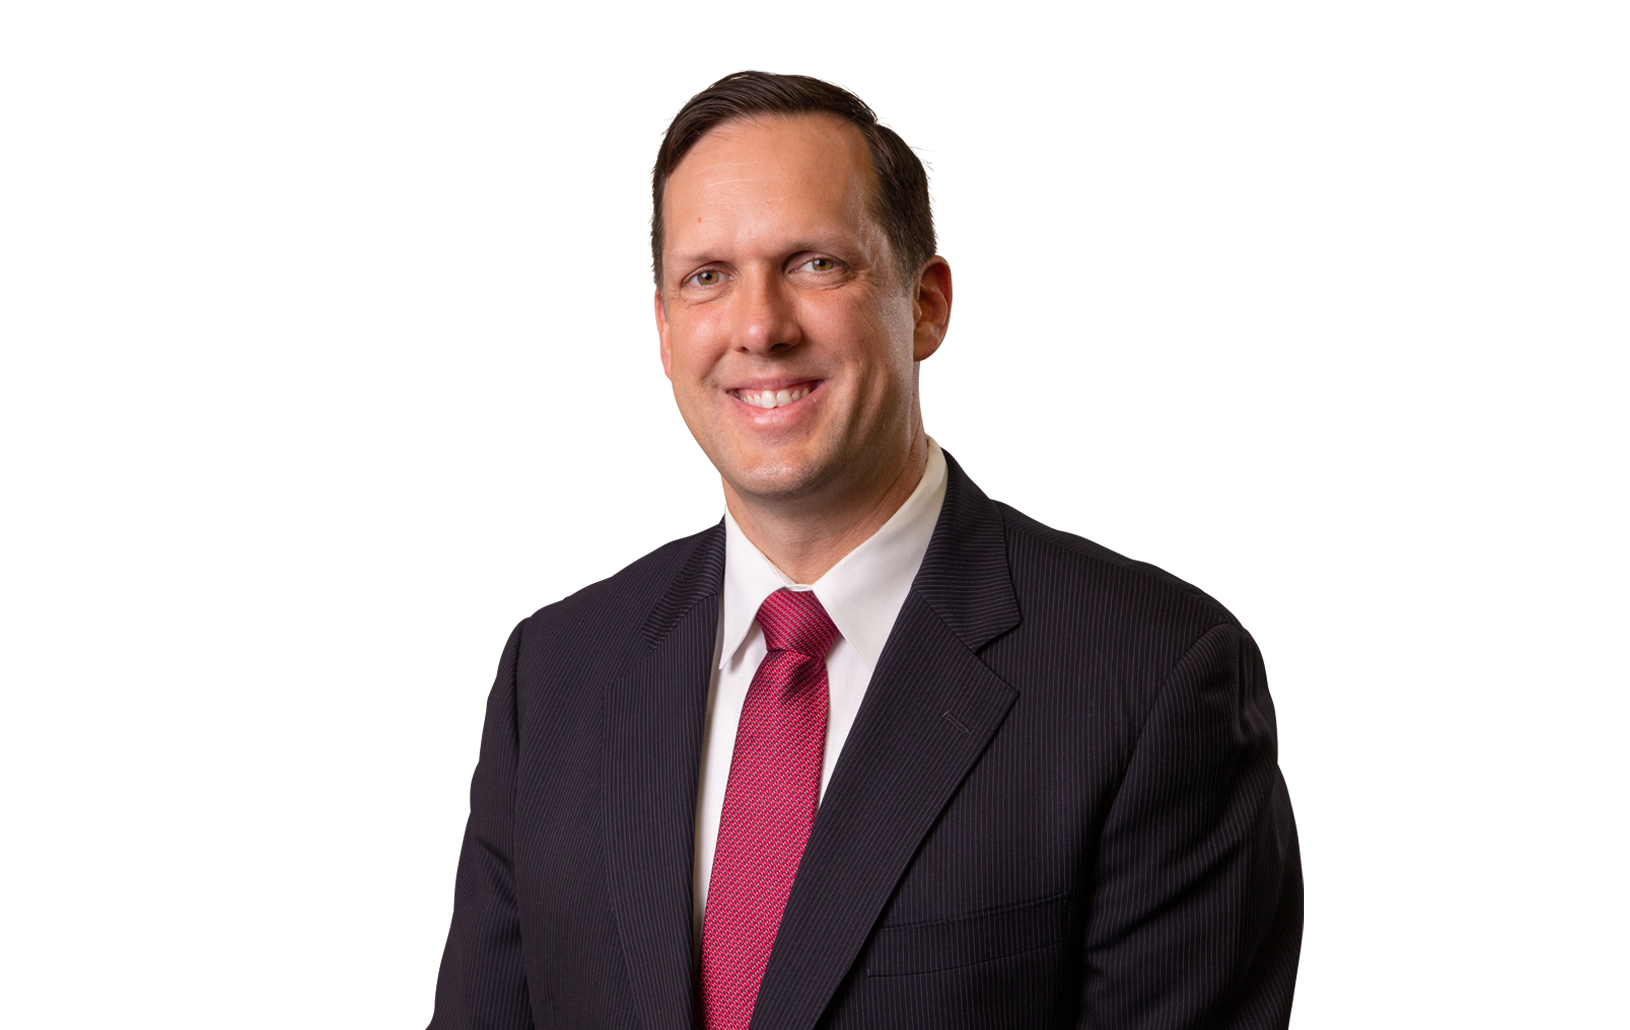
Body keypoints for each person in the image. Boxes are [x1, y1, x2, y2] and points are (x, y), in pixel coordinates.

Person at [429, 70, 1300, 1030]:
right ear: (665, 332)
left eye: (814, 263)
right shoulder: (553, 676)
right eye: (707, 276)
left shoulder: (1153, 677)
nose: (759, 327)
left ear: (926, 304)